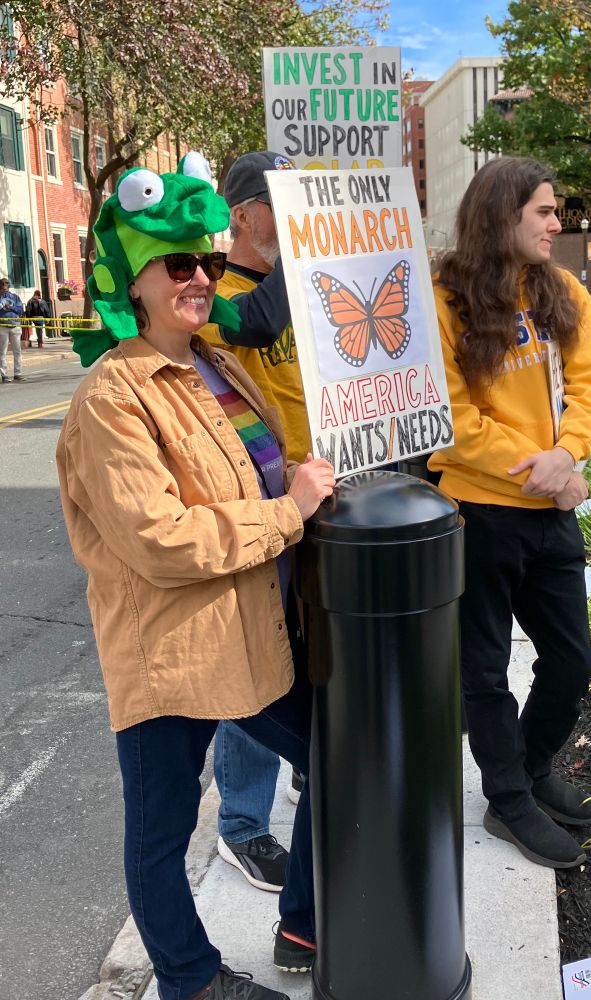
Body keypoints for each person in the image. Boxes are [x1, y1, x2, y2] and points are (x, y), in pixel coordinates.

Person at [57, 154, 334, 1000]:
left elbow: (260, 472)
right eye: (176, 265)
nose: (198, 279)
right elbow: (161, 539)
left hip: (249, 636)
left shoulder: (217, 365)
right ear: (131, 282)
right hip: (170, 652)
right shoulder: (113, 395)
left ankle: (302, 922)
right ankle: (187, 978)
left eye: (207, 263)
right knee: (161, 831)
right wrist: (290, 510)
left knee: (338, 752)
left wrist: (312, 480)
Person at [428, 157, 591, 869]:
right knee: (482, 672)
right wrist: (541, 468)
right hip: (478, 512)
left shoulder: (560, 290)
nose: (555, 222)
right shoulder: (444, 300)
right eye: (542, 210)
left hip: (547, 506)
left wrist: (566, 454)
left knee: (571, 661)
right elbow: (449, 418)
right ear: (500, 214)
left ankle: (532, 769)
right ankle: (507, 800)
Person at [200, 152, 310, 897]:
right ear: (241, 213)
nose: (296, 215)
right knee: (257, 664)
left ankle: (305, 766)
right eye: (283, 202)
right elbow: (246, 339)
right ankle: (242, 824)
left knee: (300, 648)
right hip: (266, 504)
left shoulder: (289, 285)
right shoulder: (212, 295)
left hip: (320, 494)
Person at [0, 277, 25, 382]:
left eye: (6, 284)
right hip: (2, 326)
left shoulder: (15, 297)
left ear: (9, 286)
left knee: (17, 351)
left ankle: (17, 373)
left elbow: (20, 310)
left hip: (15, 326)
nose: (4, 286)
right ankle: (4, 375)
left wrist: (11, 308)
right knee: (2, 352)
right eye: (2, 284)